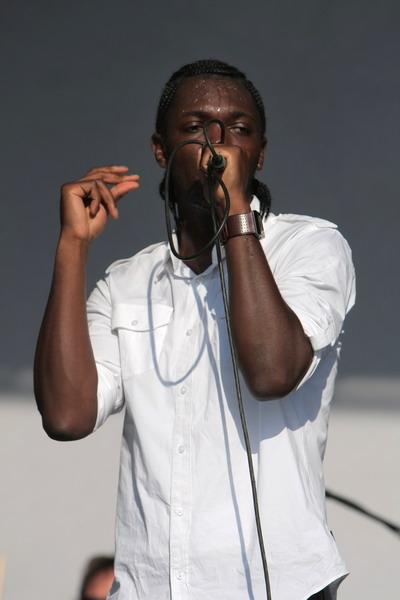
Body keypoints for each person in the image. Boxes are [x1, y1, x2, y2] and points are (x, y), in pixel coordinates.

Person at [34, 59, 355, 599]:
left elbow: (272, 372)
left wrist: (235, 211)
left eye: (239, 129)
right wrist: (73, 246)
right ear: (160, 150)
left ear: (259, 153)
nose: (218, 144)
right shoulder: (127, 282)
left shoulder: (310, 247)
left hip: (279, 587)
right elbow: (67, 416)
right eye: (196, 127)